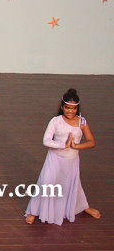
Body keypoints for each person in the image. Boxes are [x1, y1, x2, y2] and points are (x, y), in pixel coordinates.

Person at [25, 89, 100, 225]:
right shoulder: (55, 121)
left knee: (73, 184)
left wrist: (76, 146)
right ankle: (34, 211)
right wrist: (63, 145)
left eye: (73, 108)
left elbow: (91, 142)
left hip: (72, 160)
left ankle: (83, 207)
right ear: (62, 107)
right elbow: (46, 141)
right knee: (46, 182)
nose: (70, 111)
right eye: (67, 108)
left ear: (77, 108)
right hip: (55, 159)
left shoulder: (82, 122)